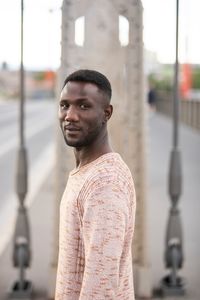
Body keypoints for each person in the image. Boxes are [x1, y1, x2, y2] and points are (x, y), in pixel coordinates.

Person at [55, 69, 136, 299]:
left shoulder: (105, 183)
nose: (70, 115)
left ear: (106, 113)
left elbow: (101, 286)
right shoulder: (88, 172)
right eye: (64, 105)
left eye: (83, 106)